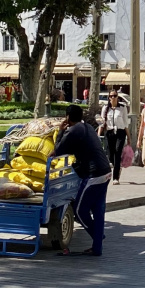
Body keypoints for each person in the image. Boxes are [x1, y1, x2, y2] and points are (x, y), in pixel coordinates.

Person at [51, 104, 112, 256]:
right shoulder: (88, 128)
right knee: (98, 210)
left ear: (67, 117)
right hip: (105, 171)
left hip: (95, 175)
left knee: (79, 210)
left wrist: (60, 131)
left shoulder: (72, 131)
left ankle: (98, 236)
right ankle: (97, 248)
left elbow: (58, 151)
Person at [98, 91, 128, 183]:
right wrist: (98, 135)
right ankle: (117, 167)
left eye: (115, 96)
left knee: (118, 152)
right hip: (109, 132)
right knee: (110, 155)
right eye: (111, 96)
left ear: (117, 97)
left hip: (120, 132)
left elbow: (126, 123)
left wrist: (129, 138)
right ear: (109, 98)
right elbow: (102, 123)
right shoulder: (105, 108)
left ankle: (116, 178)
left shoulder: (122, 108)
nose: (113, 97)